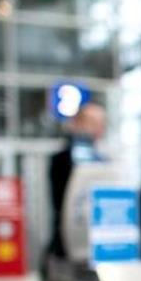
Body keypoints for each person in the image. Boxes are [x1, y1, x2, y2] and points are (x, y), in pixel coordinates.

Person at [47, 102, 106, 259]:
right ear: (78, 124)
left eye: (101, 124)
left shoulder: (101, 162)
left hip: (97, 243)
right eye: (93, 123)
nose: (99, 129)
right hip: (70, 244)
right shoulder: (64, 161)